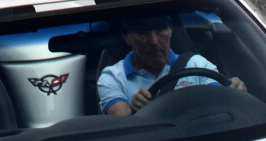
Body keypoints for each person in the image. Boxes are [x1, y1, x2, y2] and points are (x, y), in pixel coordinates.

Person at [98, 15, 245, 116]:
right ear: (127, 37)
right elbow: (120, 122)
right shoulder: (113, 77)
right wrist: (132, 109)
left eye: (160, 29)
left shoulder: (198, 65)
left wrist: (234, 93)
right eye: (142, 32)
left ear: (170, 30)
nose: (154, 41)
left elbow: (218, 101)